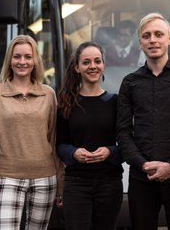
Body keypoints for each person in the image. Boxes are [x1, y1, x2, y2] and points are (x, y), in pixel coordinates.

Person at [116, 13, 170, 230]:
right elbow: (123, 132)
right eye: (146, 36)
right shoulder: (130, 82)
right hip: (141, 179)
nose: (152, 40)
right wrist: (142, 164)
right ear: (140, 43)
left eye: (158, 34)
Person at [0, 35, 63, 230]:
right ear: (10, 60)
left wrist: (61, 184)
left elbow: (55, 139)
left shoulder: (48, 94)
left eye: (27, 57)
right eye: (17, 57)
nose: (22, 62)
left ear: (35, 61)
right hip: (7, 177)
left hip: (44, 179)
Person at [56, 41, 124, 230]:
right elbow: (59, 144)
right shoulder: (66, 103)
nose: (92, 66)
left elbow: (127, 145)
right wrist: (73, 152)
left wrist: (110, 152)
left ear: (103, 65)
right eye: (86, 62)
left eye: (97, 61)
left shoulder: (116, 102)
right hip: (76, 184)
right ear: (77, 67)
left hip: (110, 183)